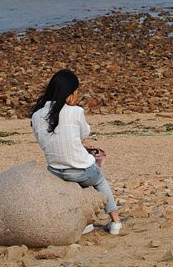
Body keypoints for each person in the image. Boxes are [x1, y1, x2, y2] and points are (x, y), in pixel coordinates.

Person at [30, 70, 122, 235]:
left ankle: (83, 223)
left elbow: (42, 140)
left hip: (55, 172)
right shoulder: (76, 111)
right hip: (81, 171)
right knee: (100, 180)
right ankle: (115, 221)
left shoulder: (36, 115)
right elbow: (84, 132)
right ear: (70, 93)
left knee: (70, 186)